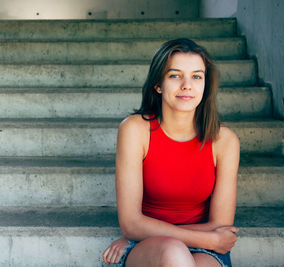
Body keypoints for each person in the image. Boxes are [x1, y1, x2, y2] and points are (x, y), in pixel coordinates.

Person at [101, 38, 240, 267]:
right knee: (174, 253)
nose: (187, 85)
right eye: (175, 75)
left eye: (197, 76)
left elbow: (221, 225)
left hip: (205, 247)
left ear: (205, 86)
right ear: (158, 84)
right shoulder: (136, 130)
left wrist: (210, 239)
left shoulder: (224, 140)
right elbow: (131, 223)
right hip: (149, 245)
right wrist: (136, 232)